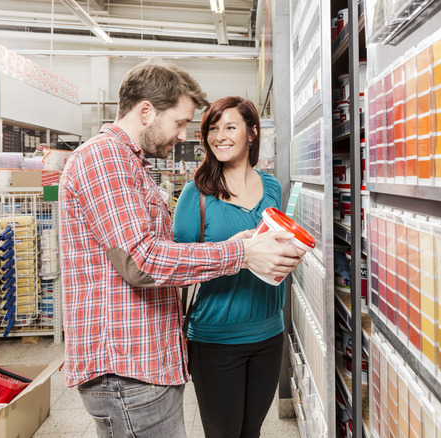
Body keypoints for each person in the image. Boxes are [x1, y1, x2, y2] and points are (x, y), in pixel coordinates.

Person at [59, 61, 304, 438]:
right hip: (127, 367)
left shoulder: (130, 164)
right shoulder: (104, 159)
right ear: (146, 112)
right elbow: (143, 261)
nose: (185, 134)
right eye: (180, 122)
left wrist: (240, 246)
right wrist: (240, 254)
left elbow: (158, 251)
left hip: (145, 362)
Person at [173, 96, 291, 438]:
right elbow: (179, 264)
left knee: (251, 431)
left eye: (230, 127)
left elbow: (275, 246)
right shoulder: (197, 195)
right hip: (216, 340)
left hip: (269, 334)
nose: (219, 136)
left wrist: (288, 255)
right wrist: (232, 251)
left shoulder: (271, 187)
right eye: (213, 128)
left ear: (252, 134)